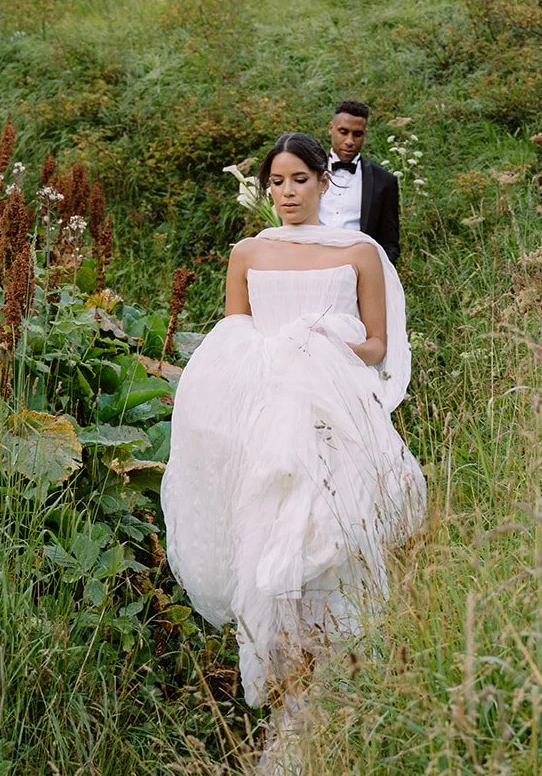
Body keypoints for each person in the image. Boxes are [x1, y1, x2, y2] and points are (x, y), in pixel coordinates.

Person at [161, 131, 425, 707]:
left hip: (333, 410)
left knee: (333, 534)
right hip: (268, 412)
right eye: (276, 182)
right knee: (272, 538)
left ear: (322, 182)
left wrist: (320, 343)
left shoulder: (357, 253)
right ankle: (287, 677)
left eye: (299, 180)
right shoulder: (248, 253)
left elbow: (379, 344)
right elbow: (234, 337)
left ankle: (343, 675)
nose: (286, 192)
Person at [317, 99, 401, 265]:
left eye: (357, 134)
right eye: (343, 132)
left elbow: (390, 243)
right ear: (330, 128)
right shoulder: (308, 172)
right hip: (311, 266)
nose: (349, 141)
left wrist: (372, 272)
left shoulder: (384, 182)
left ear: (365, 134)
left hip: (357, 272)